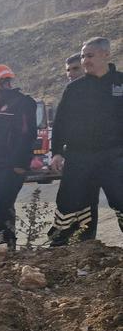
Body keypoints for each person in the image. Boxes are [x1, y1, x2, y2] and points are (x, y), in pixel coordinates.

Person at [48, 37, 123, 245]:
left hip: (114, 157)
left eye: (89, 56)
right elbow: (60, 123)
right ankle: (63, 244)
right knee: (69, 201)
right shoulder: (74, 89)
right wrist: (56, 152)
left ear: (106, 55)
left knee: (120, 199)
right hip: (79, 156)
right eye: (82, 56)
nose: (84, 61)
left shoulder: (120, 82)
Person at [0, 64, 38, 252]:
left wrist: (20, 163)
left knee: (4, 203)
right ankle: (3, 244)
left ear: (5, 84)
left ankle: (6, 244)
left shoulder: (22, 103)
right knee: (1, 205)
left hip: (11, 165)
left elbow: (27, 135)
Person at [63, 53, 99, 239]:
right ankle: (80, 237)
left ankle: (87, 238)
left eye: (75, 68)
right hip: (76, 155)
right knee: (77, 198)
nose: (70, 73)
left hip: (100, 154)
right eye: (68, 70)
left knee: (91, 197)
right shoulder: (70, 92)